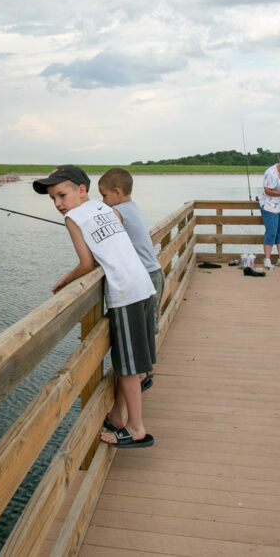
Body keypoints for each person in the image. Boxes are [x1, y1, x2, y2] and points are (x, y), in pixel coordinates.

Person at [33, 165, 156, 448]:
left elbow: (87, 264)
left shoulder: (73, 218)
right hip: (143, 285)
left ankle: (136, 428)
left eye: (61, 195)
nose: (58, 204)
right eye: (53, 199)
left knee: (126, 366)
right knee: (133, 363)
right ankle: (116, 416)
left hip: (124, 292)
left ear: (81, 190)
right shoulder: (109, 210)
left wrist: (66, 279)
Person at [98, 167, 163, 392]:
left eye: (104, 196)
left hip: (146, 277)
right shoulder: (132, 207)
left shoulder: (117, 212)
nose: (103, 201)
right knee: (148, 328)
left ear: (116, 192)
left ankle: (142, 375)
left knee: (144, 330)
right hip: (154, 274)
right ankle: (144, 374)